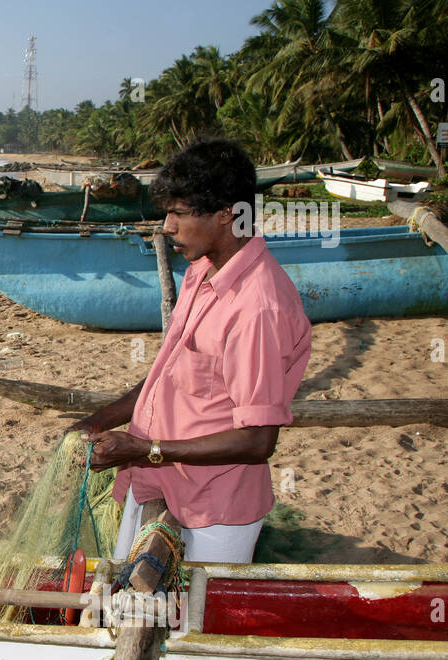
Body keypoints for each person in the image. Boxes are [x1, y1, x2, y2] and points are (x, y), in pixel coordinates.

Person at [74, 139, 311, 564]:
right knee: (125, 598)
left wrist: (145, 451)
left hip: (212, 509)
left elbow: (258, 440)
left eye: (179, 214)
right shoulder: (201, 273)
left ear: (226, 215)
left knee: (188, 618)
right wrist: (96, 421)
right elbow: (170, 376)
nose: (166, 226)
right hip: (154, 483)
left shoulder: (257, 307)